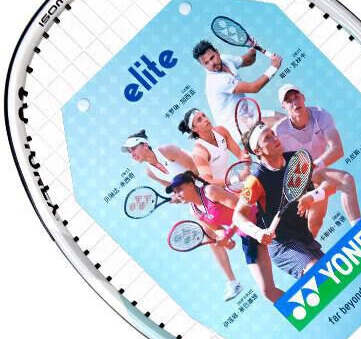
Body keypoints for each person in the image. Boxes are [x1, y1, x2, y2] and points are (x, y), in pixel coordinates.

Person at [121, 130, 241, 301]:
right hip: (197, 196)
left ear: (145, 145)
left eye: (133, 149)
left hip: (211, 181)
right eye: (129, 152)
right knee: (210, 235)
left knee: (246, 208)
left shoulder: (167, 150)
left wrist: (189, 190)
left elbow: (195, 167)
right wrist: (178, 196)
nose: (131, 154)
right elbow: (171, 186)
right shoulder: (150, 172)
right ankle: (233, 282)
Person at [167, 171, 283, 303]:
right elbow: (218, 229)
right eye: (175, 192)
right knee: (268, 292)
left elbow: (244, 209)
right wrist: (225, 240)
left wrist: (228, 234)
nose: (177, 195)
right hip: (246, 236)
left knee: (294, 260)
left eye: (179, 189)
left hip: (259, 222)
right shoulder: (194, 211)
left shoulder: (210, 191)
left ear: (191, 184)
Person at [233, 123, 328, 283]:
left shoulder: (296, 159)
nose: (274, 138)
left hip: (303, 236)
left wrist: (313, 196)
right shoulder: (256, 180)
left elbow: (319, 184)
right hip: (282, 244)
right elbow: (238, 215)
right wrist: (257, 233)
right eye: (267, 138)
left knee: (333, 274)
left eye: (273, 134)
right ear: (258, 150)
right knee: (318, 273)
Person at [274, 83, 361, 234]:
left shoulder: (321, 116)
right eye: (289, 101)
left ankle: (360, 232)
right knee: (315, 222)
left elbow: (337, 149)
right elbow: (274, 162)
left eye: (297, 97)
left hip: (317, 171)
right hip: (297, 179)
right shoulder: (279, 131)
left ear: (303, 98)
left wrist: (313, 166)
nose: (294, 102)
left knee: (345, 182)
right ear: (283, 107)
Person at [192, 39, 282, 143]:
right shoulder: (216, 81)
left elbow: (247, 60)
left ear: (217, 52)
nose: (212, 63)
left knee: (284, 120)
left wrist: (252, 50)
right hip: (236, 128)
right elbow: (254, 88)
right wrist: (274, 67)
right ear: (202, 65)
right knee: (279, 125)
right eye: (206, 63)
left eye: (212, 57)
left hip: (247, 113)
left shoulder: (225, 59)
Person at [177, 108, 244, 186]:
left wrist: (245, 160)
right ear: (194, 129)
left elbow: (240, 154)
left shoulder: (221, 131)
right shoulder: (199, 152)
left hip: (232, 179)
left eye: (204, 116)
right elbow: (208, 181)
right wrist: (235, 179)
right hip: (218, 189)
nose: (205, 119)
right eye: (199, 120)